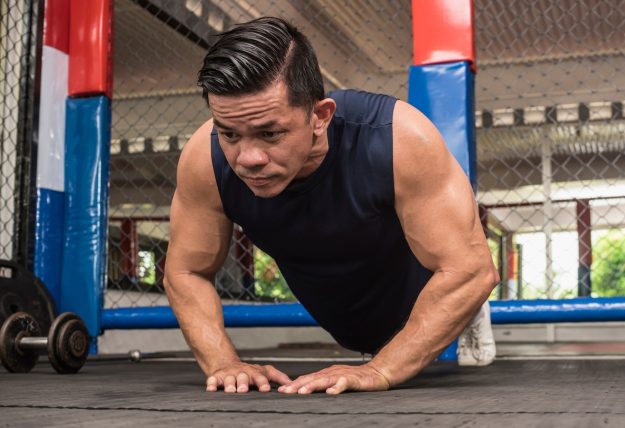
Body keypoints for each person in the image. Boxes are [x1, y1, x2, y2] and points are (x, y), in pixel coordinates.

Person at [164, 17, 498, 396]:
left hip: (422, 290)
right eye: (230, 134)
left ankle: (468, 308)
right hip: (346, 314)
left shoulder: (397, 138)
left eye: (270, 133)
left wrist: (381, 369)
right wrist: (222, 362)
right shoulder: (204, 160)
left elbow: (469, 269)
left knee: (459, 251)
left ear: (320, 116)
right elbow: (186, 270)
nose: (248, 158)